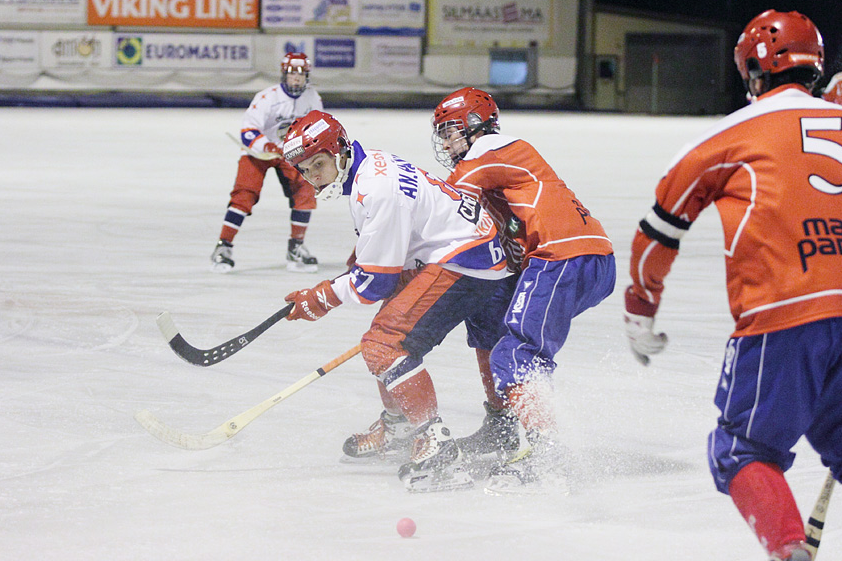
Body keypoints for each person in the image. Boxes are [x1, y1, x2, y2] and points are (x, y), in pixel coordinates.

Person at [623, 9, 842, 561]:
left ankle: (787, 551)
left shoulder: (731, 133)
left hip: (784, 311)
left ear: (753, 70)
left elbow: (659, 232)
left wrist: (641, 305)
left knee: (743, 447)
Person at [279, 110, 514, 492]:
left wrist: (320, 298)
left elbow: (374, 284)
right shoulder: (369, 164)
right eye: (305, 171)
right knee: (387, 332)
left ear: (338, 150)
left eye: (318, 164)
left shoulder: (376, 189)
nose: (313, 177)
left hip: (464, 261)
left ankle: (436, 446)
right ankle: (400, 426)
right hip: (472, 251)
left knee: (384, 345)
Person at [431, 87, 616, 490]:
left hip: (560, 257)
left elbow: (442, 206)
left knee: (516, 352)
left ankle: (545, 451)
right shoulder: (501, 158)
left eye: (449, 131)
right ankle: (501, 425)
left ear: (475, 125)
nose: (444, 142)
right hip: (584, 258)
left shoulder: (486, 151)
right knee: (487, 315)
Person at [210, 52, 323, 273]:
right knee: (244, 195)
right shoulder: (267, 97)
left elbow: (319, 127)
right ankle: (223, 247)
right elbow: (248, 130)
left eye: (301, 74)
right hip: (259, 153)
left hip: (292, 153)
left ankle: (296, 247)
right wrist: (268, 146)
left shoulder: (312, 98)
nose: (296, 78)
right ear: (284, 74)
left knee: (306, 191)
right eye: (292, 73)